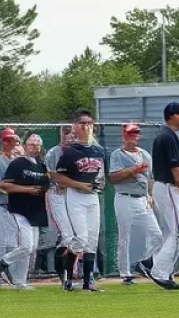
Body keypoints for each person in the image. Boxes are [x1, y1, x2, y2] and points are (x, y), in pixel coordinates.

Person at [54, 108, 107, 293]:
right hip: (75, 196)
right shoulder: (70, 152)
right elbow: (58, 178)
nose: (86, 126)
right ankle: (67, 276)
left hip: (92, 196)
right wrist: (79, 185)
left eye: (89, 123)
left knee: (92, 240)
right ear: (75, 127)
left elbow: (101, 175)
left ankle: (88, 281)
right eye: (82, 123)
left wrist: (99, 185)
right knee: (81, 238)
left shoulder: (98, 150)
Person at [110, 123, 161, 285]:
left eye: (136, 133)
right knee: (125, 237)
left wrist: (151, 195)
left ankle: (144, 263)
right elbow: (113, 178)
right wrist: (134, 170)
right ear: (124, 135)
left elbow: (150, 177)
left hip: (142, 198)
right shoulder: (118, 154)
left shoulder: (144, 154)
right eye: (130, 133)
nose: (133, 136)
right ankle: (125, 273)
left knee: (157, 235)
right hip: (124, 197)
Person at [1, 132, 50, 290]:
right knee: (26, 246)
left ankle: (20, 281)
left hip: (36, 209)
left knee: (32, 248)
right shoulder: (18, 163)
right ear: (24, 146)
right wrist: (27, 189)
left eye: (37, 145)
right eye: (31, 144)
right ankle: (0, 263)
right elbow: (5, 185)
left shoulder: (41, 165)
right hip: (20, 208)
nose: (34, 147)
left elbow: (46, 185)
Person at [148, 102, 179, 290]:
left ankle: (163, 271)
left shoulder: (169, 135)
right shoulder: (167, 137)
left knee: (171, 232)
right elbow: (175, 170)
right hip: (168, 186)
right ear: (172, 116)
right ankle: (156, 269)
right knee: (176, 232)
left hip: (166, 187)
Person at [44, 125, 76, 288]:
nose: (67, 137)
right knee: (65, 235)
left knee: (73, 236)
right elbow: (49, 174)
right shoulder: (53, 153)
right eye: (64, 134)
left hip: (72, 196)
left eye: (70, 134)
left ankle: (69, 276)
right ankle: (63, 276)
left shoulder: (77, 151)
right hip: (56, 195)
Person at [0, 128, 20, 284]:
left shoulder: (17, 161)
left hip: (13, 206)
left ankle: (6, 274)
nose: (10, 143)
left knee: (12, 243)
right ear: (2, 142)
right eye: (7, 140)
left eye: (12, 140)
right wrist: (4, 190)